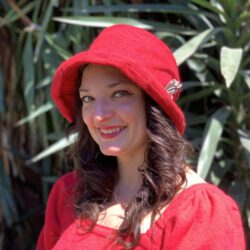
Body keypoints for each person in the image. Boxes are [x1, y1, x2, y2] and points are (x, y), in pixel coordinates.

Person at [37, 24, 245, 250]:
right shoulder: (69, 193)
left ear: (154, 105)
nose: (99, 115)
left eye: (119, 94)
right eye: (88, 99)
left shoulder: (199, 213)